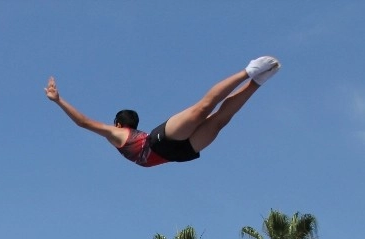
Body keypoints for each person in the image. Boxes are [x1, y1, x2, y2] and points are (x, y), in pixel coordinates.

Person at [45, 57, 280, 168]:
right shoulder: (128, 133)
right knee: (218, 121)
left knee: (203, 110)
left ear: (117, 123)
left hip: (160, 144)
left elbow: (83, 122)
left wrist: (58, 101)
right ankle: (257, 81)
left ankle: (248, 71)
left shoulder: (116, 133)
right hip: (176, 154)